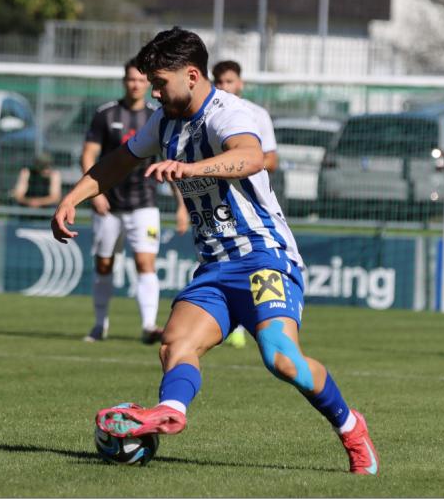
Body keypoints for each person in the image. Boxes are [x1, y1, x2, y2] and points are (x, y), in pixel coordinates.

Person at [51, 27, 378, 474]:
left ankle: (351, 427)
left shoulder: (227, 112)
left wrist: (191, 169)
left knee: (281, 359)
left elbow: (251, 156)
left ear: (191, 75)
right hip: (215, 267)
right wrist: (72, 198)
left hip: (264, 256)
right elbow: (119, 161)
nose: (154, 92)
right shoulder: (163, 121)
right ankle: (171, 411)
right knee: (175, 344)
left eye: (160, 82)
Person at [80, 58, 187, 345]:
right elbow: (88, 155)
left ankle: (149, 325)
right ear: (124, 81)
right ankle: (100, 325)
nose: (136, 85)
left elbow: (169, 163)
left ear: (148, 83)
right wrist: (96, 193)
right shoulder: (105, 114)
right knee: (104, 265)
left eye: (141, 80)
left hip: (145, 203)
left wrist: (181, 206)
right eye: (131, 79)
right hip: (109, 205)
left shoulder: (157, 116)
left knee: (145, 262)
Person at [211, 59, 281, 349]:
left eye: (229, 81)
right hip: (216, 200)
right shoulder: (208, 115)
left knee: (253, 260)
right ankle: (231, 320)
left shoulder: (256, 114)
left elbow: (271, 159)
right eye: (219, 82)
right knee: (220, 257)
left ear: (240, 83)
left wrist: (238, 163)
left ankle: (261, 324)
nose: (224, 86)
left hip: (250, 201)